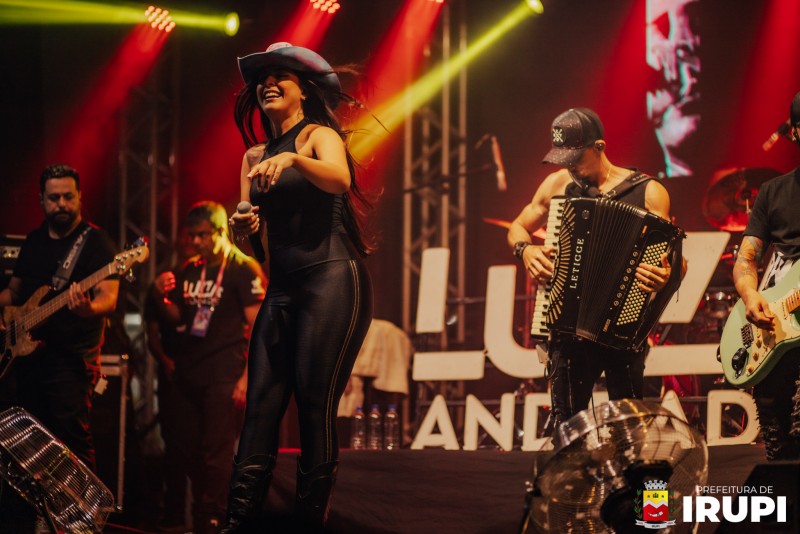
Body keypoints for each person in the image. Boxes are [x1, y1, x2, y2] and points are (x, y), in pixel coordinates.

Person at [224, 42, 374, 532]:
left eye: (280, 77)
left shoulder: (317, 135)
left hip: (332, 280)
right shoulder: (252, 156)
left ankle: (310, 524)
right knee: (260, 408)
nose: (267, 84)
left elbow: (338, 179)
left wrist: (293, 160)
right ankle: (238, 522)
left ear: (303, 90)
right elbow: (255, 245)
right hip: (283, 288)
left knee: (314, 404)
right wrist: (242, 231)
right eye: (262, 79)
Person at [507, 108, 684, 431]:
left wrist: (665, 275)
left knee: (630, 429)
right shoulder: (557, 184)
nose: (569, 166)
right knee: (566, 429)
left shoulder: (648, 191)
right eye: (563, 158)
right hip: (567, 331)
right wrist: (526, 249)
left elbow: (676, 261)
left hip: (623, 329)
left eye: (575, 157)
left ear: (599, 147)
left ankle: (636, 467)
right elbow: (517, 226)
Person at [0, 163, 119, 530]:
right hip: (28, 361)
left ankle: (85, 520)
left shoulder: (97, 243)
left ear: (80, 197)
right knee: (27, 448)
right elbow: (15, 292)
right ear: (41, 200)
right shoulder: (35, 241)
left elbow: (108, 298)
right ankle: (37, 519)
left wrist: (88, 308)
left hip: (71, 362)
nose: (62, 204)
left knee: (72, 443)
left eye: (69, 196)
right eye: (54, 198)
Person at [152, 201, 266, 533]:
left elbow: (259, 326)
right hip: (189, 372)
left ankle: (214, 517)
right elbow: (178, 318)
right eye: (193, 235)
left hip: (224, 373)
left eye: (203, 235)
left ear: (220, 232)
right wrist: (160, 297)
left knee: (217, 451)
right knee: (186, 448)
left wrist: (246, 377)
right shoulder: (189, 268)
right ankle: (200, 512)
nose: (197, 242)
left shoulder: (243, 268)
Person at [732, 91, 800, 461]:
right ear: (796, 132)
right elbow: (746, 257)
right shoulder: (774, 192)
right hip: (778, 312)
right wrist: (750, 294)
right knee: (777, 427)